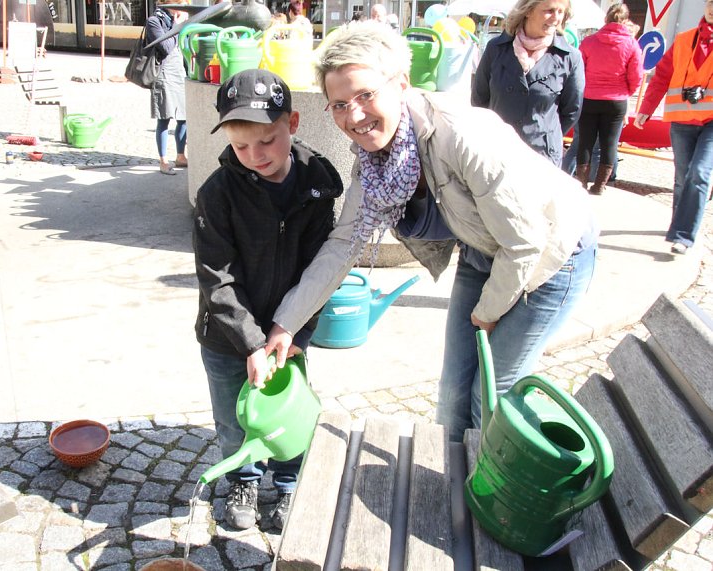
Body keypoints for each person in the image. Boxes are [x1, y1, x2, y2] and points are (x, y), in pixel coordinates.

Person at [265, 22, 597, 443]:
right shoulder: (374, 162)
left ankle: (492, 500)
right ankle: (449, 484)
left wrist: (488, 312)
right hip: (485, 249)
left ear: (401, 83)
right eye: (339, 104)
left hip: (554, 251)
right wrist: (286, 324)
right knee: (454, 392)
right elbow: (342, 246)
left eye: (366, 95)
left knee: (491, 397)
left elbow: (525, 242)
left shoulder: (462, 134)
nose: (355, 116)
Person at [193, 69, 343, 529]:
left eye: (267, 141)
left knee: (287, 412)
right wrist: (250, 344)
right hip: (226, 338)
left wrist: (298, 332)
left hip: (289, 337)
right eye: (241, 147)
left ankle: (287, 482)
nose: (255, 156)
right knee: (233, 419)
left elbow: (322, 270)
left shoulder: (317, 185)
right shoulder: (216, 195)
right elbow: (217, 280)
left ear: (292, 123)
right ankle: (243, 476)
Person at [634, 0, 713, 255]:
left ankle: (684, 235)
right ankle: (679, 223)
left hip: (711, 122)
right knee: (682, 177)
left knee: (699, 173)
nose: (712, 8)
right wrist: (645, 109)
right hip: (681, 120)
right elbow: (662, 77)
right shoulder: (683, 40)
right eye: (710, 3)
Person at [472, 0, 584, 166]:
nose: (556, 18)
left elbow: (572, 110)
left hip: (542, 156)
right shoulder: (496, 48)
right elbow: (479, 100)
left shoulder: (569, 57)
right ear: (528, 11)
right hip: (498, 152)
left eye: (561, 12)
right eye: (549, 10)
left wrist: (545, 132)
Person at [575, 3, 643, 194]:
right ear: (625, 21)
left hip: (589, 97)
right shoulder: (631, 44)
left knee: (585, 141)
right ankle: (600, 186)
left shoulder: (589, 42)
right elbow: (636, 76)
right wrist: (625, 92)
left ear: (606, 19)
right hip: (616, 100)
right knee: (610, 143)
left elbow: (579, 71)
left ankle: (581, 182)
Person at [145, 0, 189, 175]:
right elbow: (166, 47)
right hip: (163, 74)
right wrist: (177, 26)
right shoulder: (154, 21)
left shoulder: (174, 20)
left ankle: (180, 156)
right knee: (164, 118)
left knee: (183, 117)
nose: (182, 9)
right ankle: (163, 161)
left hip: (179, 73)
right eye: (180, 4)